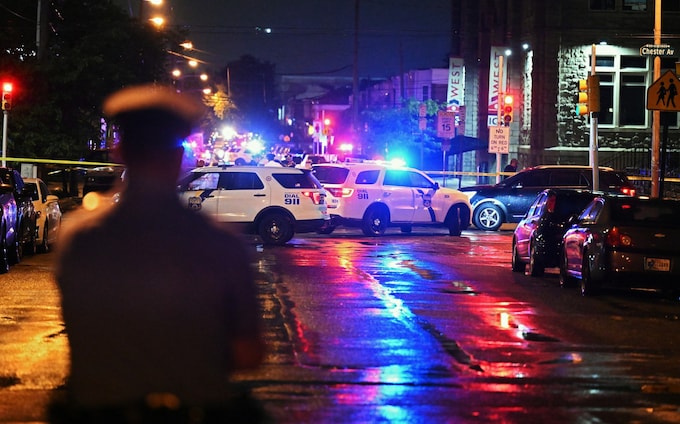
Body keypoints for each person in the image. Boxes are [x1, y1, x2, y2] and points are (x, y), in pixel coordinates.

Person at [51, 84, 266, 423]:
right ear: (179, 158)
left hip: (98, 413)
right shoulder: (221, 244)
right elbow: (249, 353)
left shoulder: (78, 237)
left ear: (120, 152)